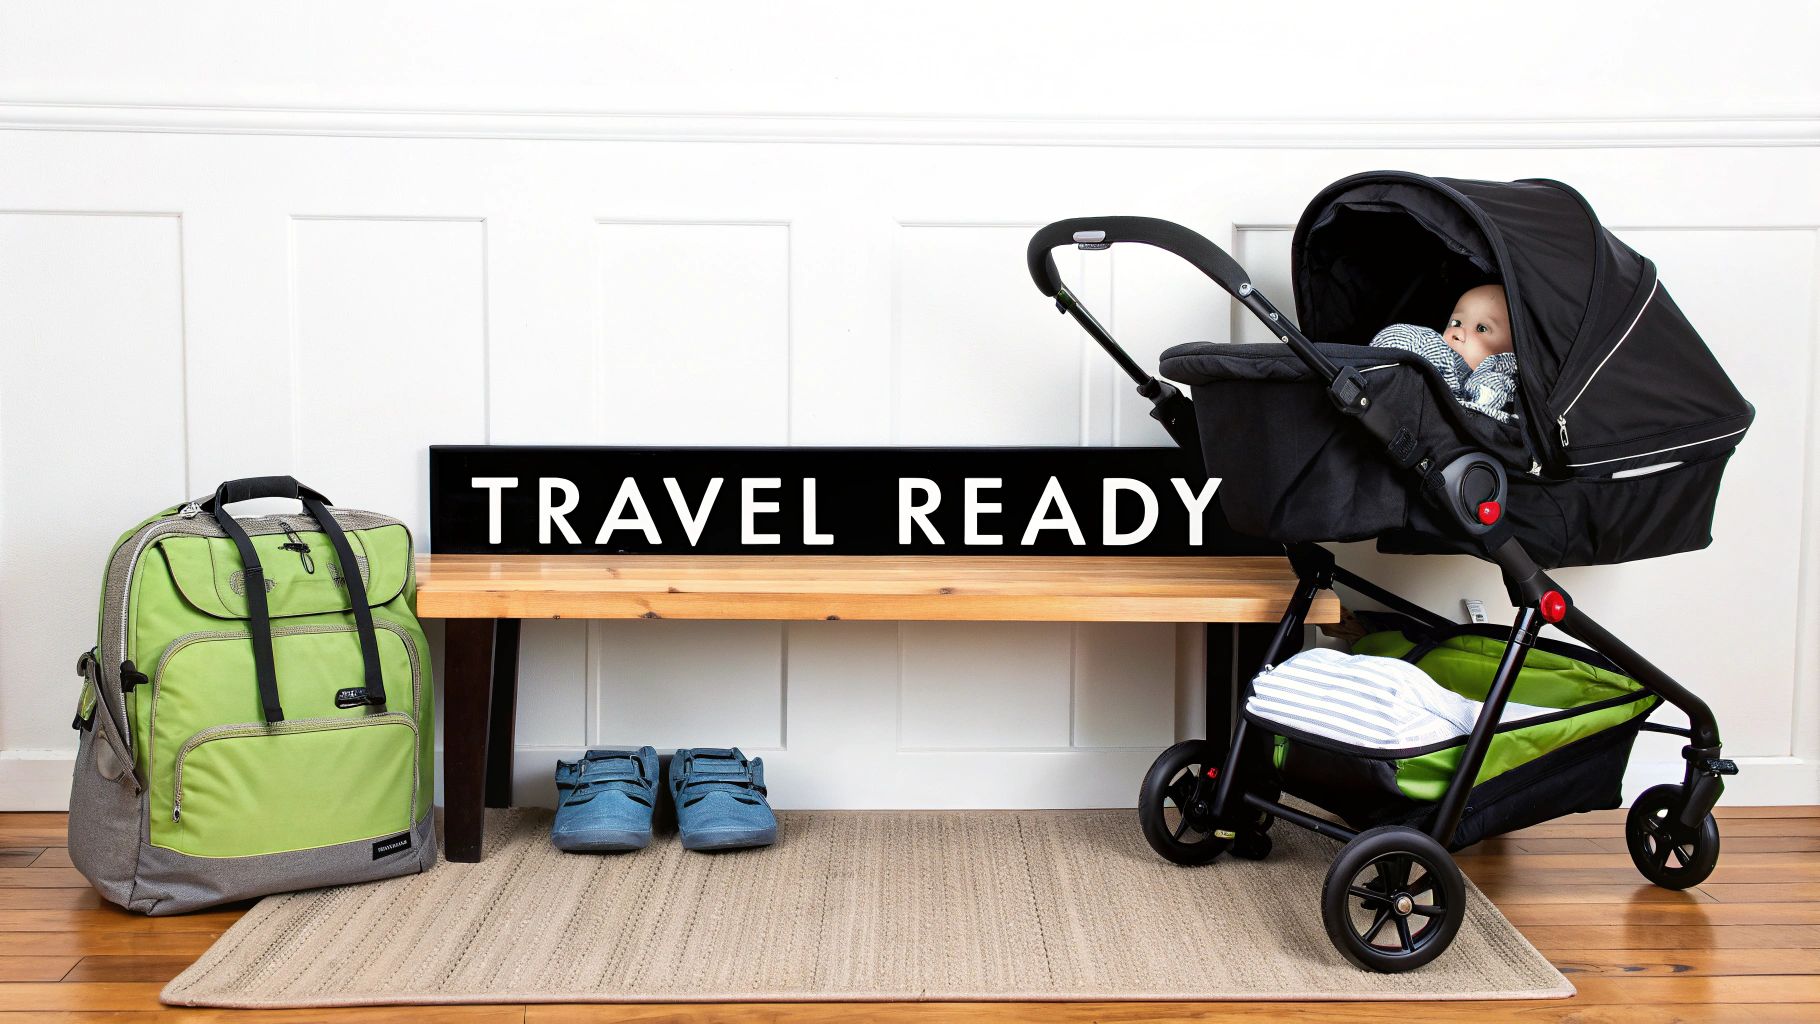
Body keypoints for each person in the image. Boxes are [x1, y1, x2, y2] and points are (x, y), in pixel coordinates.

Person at [1370, 283, 1518, 422]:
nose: (1456, 332)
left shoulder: (1495, 386)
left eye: (1481, 328)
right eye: (1456, 323)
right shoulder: (1433, 352)